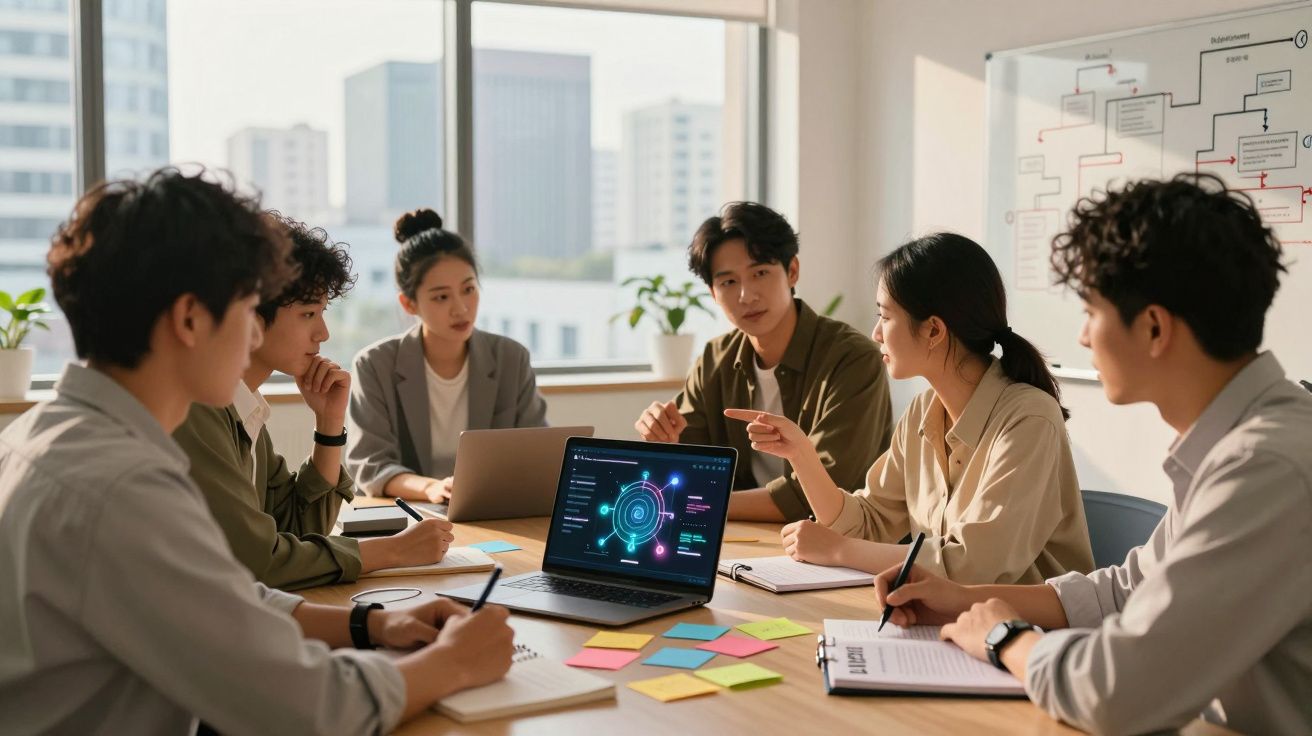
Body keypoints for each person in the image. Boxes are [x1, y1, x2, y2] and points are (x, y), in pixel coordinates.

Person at [0, 169, 514, 734]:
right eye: (249, 308)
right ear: (191, 319)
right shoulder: (123, 487)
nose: (253, 337)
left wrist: (373, 624)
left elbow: (222, 600)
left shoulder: (47, 438)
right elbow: (305, 707)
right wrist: (454, 662)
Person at [874, 174, 1312, 735]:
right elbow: (1124, 590)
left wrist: (1006, 638)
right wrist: (965, 598)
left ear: (1153, 327)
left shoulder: (1264, 467)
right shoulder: (1236, 447)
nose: (1082, 337)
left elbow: (1115, 693)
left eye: (1091, 311)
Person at [728, 233, 1093, 583]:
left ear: (933, 331)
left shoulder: (1028, 419)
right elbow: (869, 522)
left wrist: (840, 551)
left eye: (885, 317)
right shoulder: (923, 411)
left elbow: (972, 565)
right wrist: (801, 453)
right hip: (947, 622)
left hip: (1030, 635)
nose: (876, 334)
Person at [173, 213, 454, 590]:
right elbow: (258, 561)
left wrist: (328, 426)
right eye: (308, 314)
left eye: (322, 314)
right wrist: (393, 551)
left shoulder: (246, 405)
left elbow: (298, 530)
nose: (322, 333)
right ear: (250, 315)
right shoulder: (200, 408)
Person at [634, 202, 894, 522]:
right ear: (713, 293)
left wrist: (712, 503)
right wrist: (663, 440)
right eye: (728, 282)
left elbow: (825, 491)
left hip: (839, 547)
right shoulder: (714, 360)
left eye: (760, 273)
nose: (746, 295)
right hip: (749, 541)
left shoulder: (852, 359)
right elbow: (687, 474)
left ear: (792, 271)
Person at [348, 208, 547, 504]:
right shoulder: (375, 365)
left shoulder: (510, 359)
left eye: (468, 289)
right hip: (408, 515)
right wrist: (430, 488)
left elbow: (538, 452)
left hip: (491, 514)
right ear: (409, 303)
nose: (461, 308)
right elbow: (370, 464)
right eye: (441, 296)